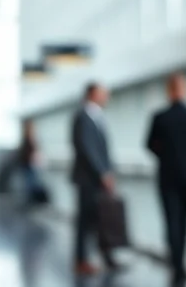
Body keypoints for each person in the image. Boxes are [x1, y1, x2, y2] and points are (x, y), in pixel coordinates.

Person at [145, 72, 186, 287]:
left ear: (169, 91)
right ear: (184, 89)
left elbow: (149, 145)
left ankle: (177, 266)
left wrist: (166, 155)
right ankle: (181, 265)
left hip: (167, 175)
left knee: (171, 220)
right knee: (184, 221)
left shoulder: (159, 117)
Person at [71, 82, 120, 275]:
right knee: (85, 220)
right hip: (88, 179)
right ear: (92, 94)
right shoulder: (83, 117)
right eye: (103, 93)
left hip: (95, 178)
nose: (106, 97)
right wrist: (103, 173)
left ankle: (105, 257)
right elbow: (87, 149)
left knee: (100, 218)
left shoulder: (97, 116)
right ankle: (81, 259)